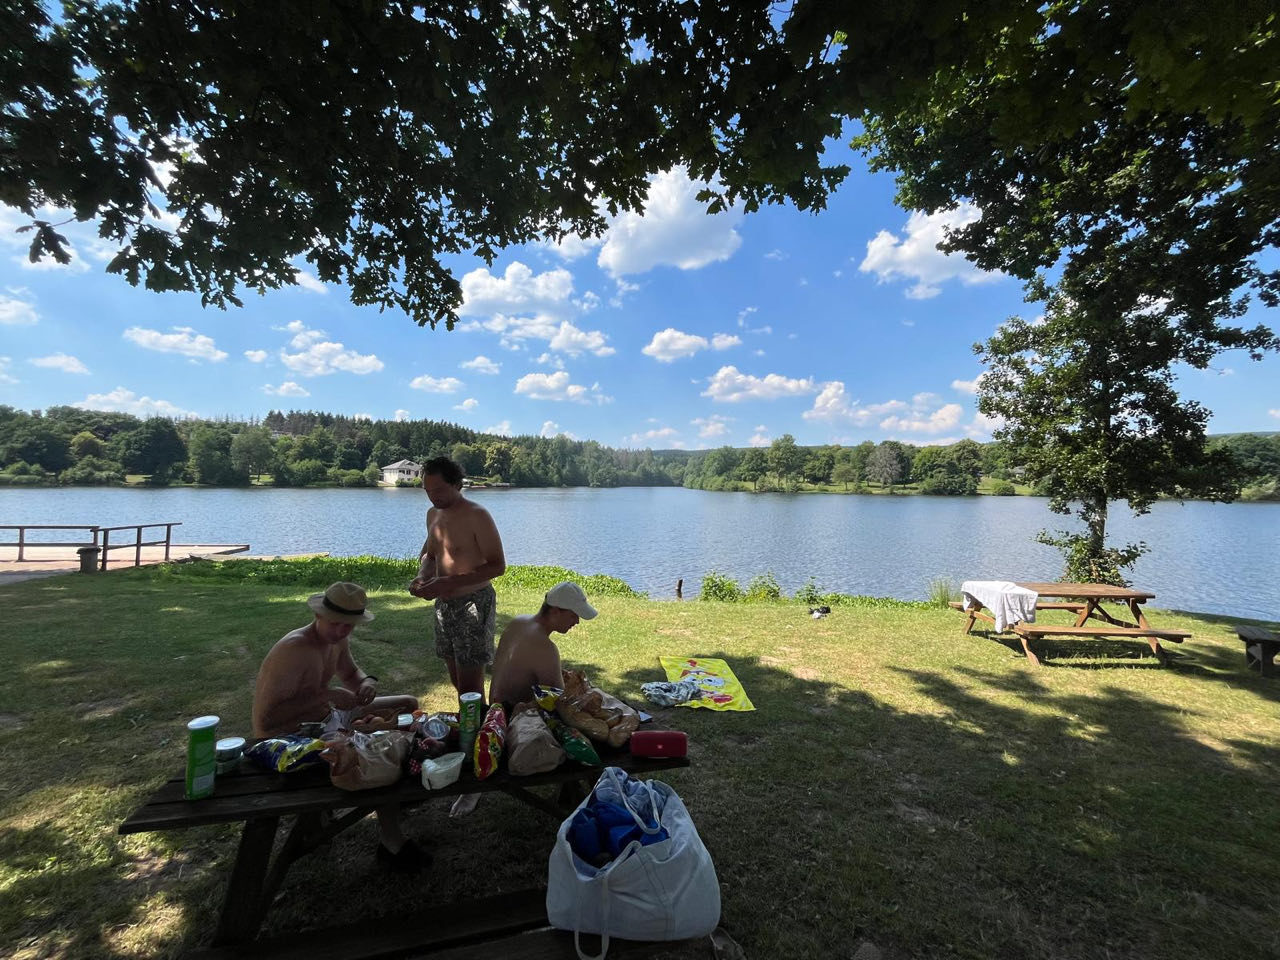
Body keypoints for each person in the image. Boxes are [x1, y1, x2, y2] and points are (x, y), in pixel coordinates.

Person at [251, 581, 430, 872]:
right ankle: (392, 843)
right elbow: (268, 720)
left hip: (329, 717)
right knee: (374, 753)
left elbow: (351, 674)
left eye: (349, 626)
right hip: (291, 738)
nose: (341, 631)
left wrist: (366, 683)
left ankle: (401, 790)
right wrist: (326, 695)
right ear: (319, 615)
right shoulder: (294, 649)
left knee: (409, 706)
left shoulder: (337, 639)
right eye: (336, 624)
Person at [409, 456, 507, 700]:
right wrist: (422, 578)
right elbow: (430, 556)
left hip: (473, 603)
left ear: (457, 484)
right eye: (427, 491)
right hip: (444, 606)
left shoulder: (477, 515)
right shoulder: (433, 515)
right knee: (456, 679)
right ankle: (475, 726)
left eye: (439, 490)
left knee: (470, 689)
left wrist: (449, 582)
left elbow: (497, 566)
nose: (433, 496)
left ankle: (480, 732)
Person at [489, 581, 597, 708]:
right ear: (555, 611)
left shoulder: (518, 622)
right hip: (511, 718)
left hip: (494, 710)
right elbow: (559, 702)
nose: (577, 621)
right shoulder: (545, 648)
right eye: (574, 615)